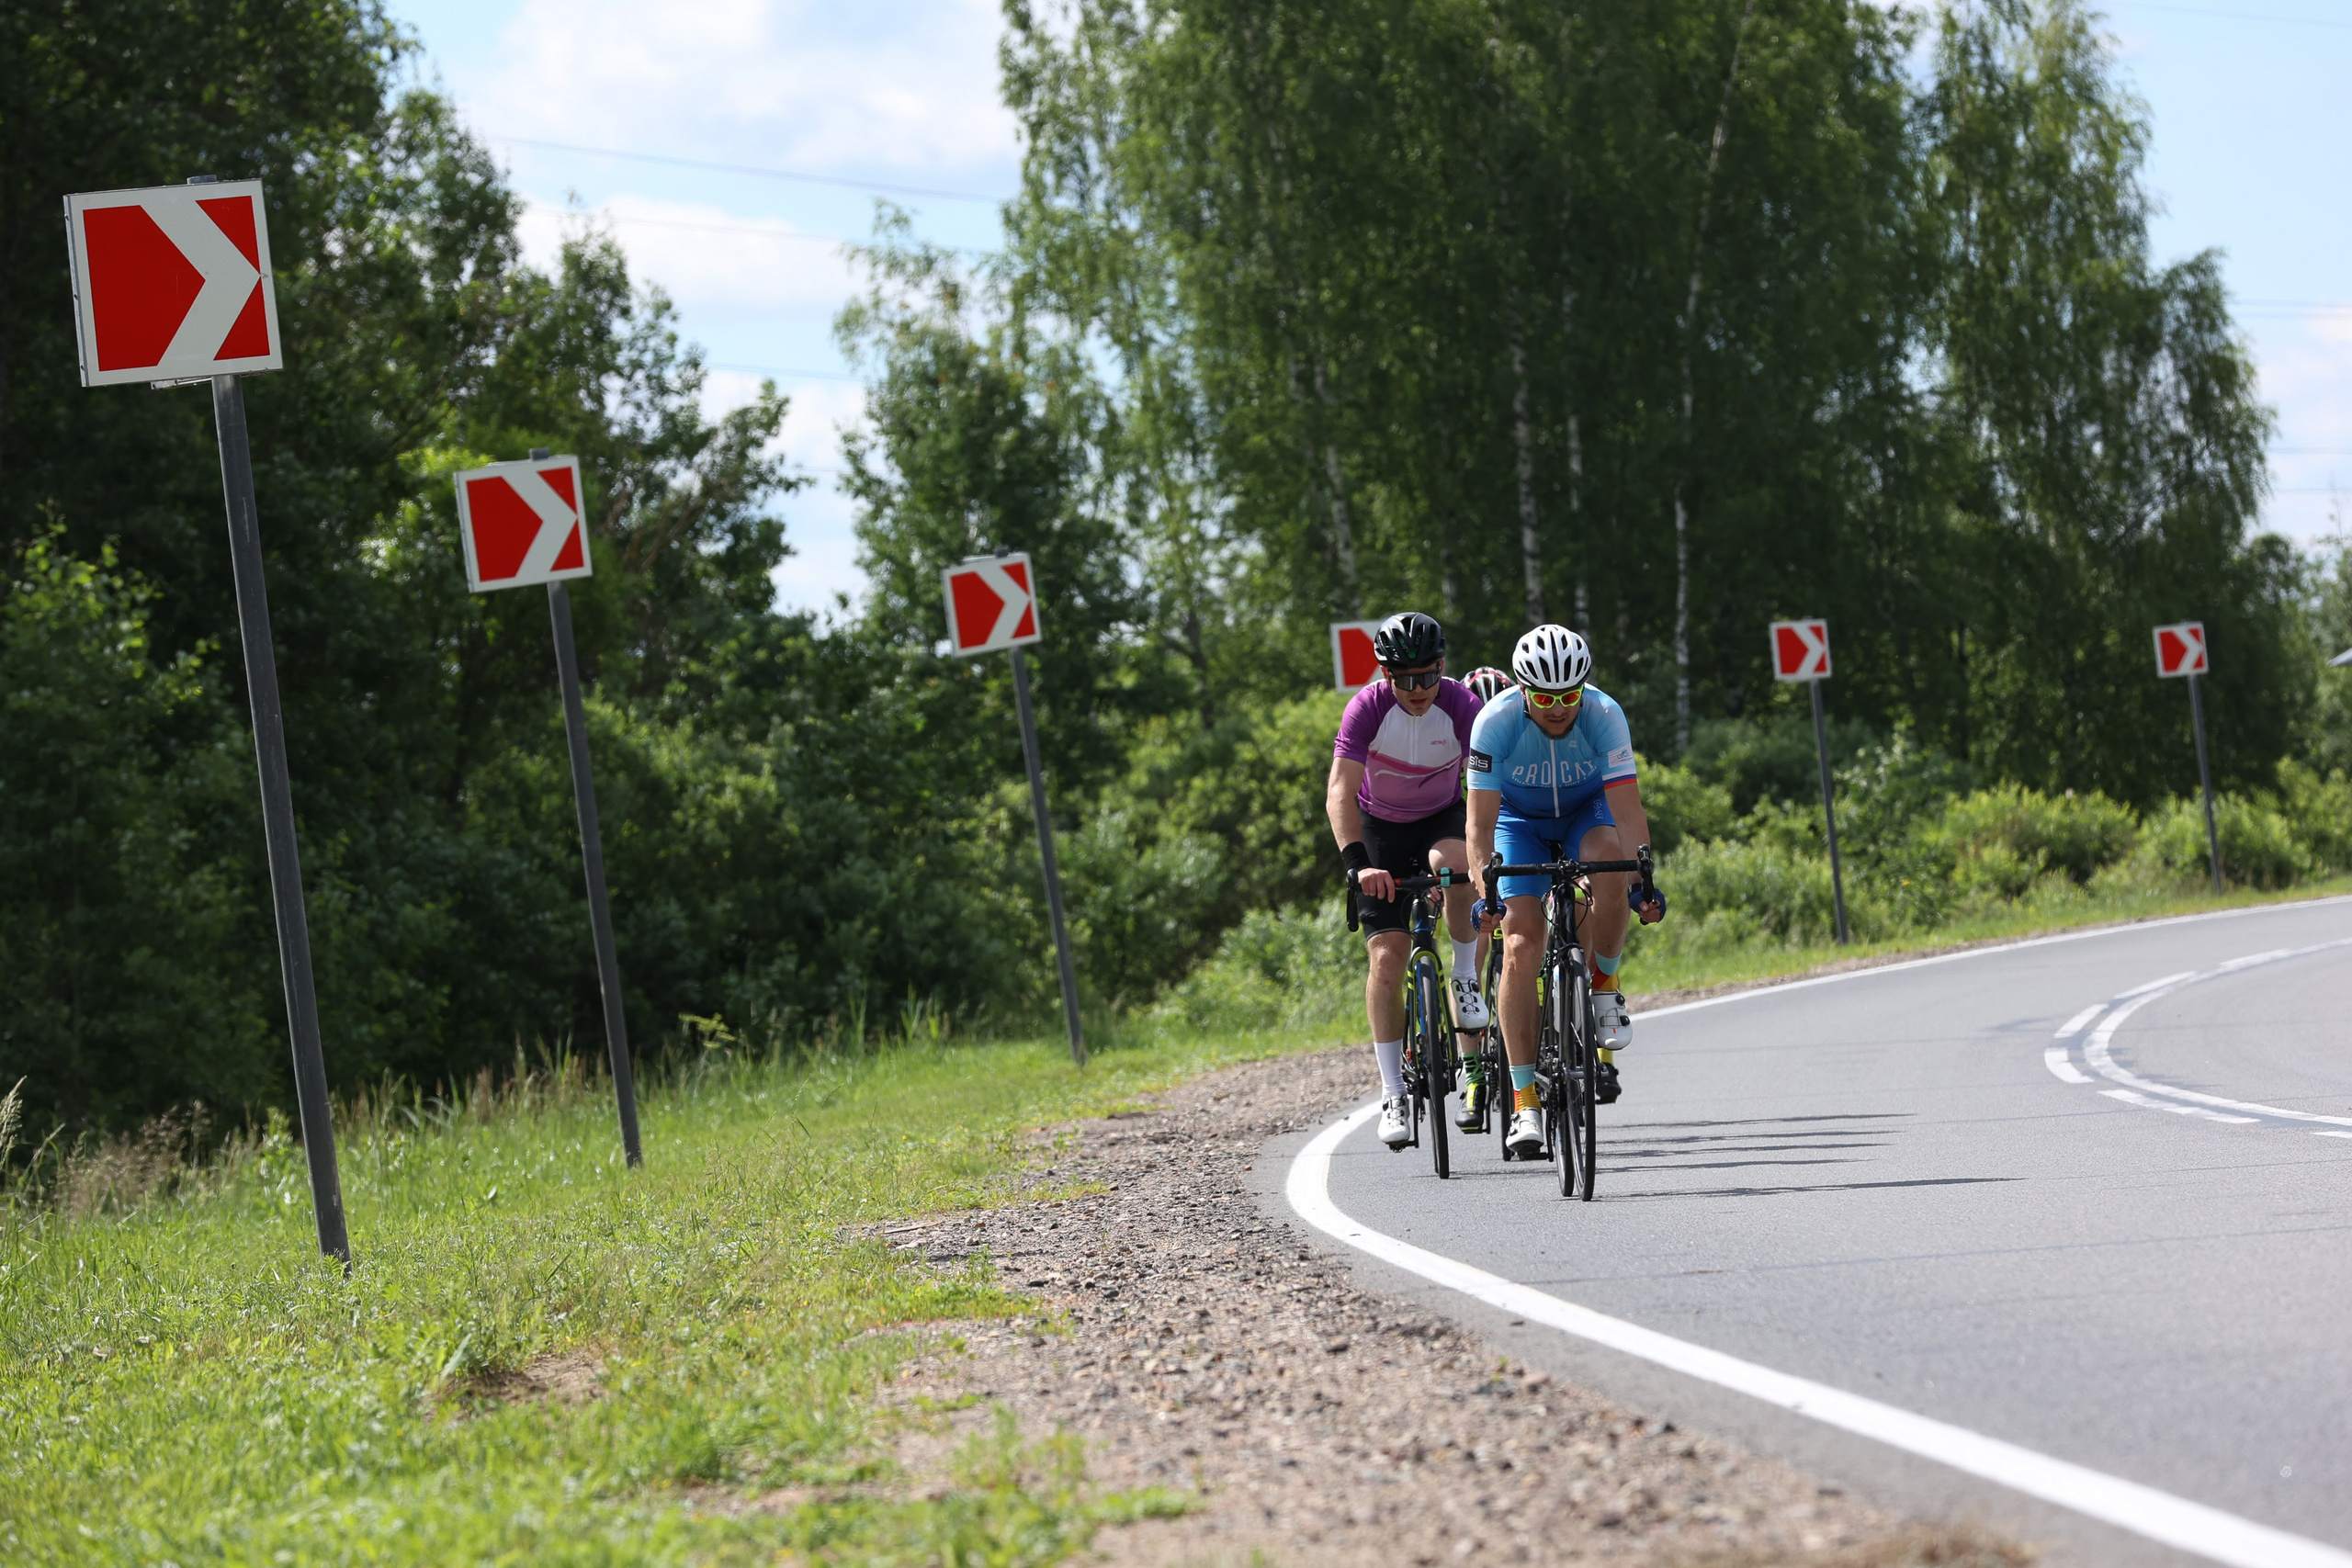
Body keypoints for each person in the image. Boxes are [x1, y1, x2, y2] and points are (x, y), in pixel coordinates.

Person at [1466, 625, 1667, 1155]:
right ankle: (1525, 1103)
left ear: (1584, 687)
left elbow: (1628, 810)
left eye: (1569, 696)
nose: (1558, 708)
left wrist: (1644, 880)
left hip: (1586, 812)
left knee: (1610, 860)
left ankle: (1603, 986)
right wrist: (1485, 887)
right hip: (1518, 823)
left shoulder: (1605, 715)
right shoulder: (1494, 722)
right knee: (1521, 944)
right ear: (1523, 691)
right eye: (1545, 697)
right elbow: (1479, 826)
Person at [1326, 612, 1489, 1149]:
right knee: (1388, 958)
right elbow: (1340, 792)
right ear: (1385, 674)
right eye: (1404, 679)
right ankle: (1393, 1090)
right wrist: (1357, 866)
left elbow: (1493, 783)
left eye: (1428, 676)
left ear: (1443, 668)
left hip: (1442, 816)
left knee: (1457, 863)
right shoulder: (1366, 709)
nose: (1418, 690)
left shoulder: (1463, 706)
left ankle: (1464, 975)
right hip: (1380, 829)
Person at [1451, 663, 1513, 1129]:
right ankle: (1473, 1076)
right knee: (1473, 953)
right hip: (1464, 841)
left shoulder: (1511, 740)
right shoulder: (1451, 755)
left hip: (1509, 838)